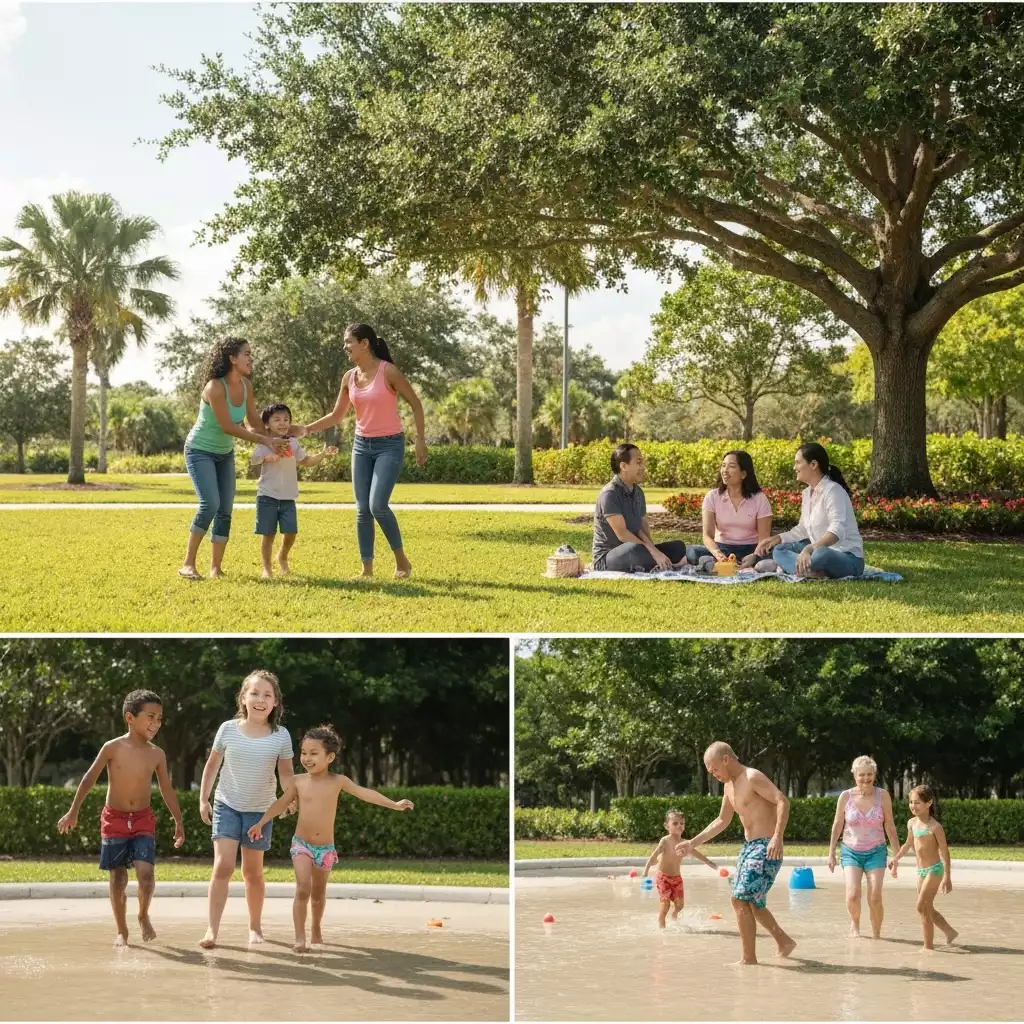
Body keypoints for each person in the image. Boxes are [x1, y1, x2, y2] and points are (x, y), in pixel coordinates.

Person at [247, 723, 414, 953]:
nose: (307, 758)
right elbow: (281, 804)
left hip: (325, 848)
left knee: (318, 894)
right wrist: (261, 822)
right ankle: (299, 937)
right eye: (304, 753)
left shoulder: (339, 781)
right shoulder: (298, 781)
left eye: (313, 753)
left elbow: (365, 793)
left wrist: (394, 804)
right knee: (303, 888)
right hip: (301, 844)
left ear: (330, 757)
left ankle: (315, 927)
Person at [291, 324, 427, 579]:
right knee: (363, 509)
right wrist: (306, 429)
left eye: (348, 342)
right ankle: (367, 570)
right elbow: (337, 415)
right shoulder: (349, 377)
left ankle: (402, 562)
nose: (345, 347)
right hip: (362, 446)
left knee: (378, 505)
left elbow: (416, 404)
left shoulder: (389, 372)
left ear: (365, 344)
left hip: (390, 445)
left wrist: (420, 439)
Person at [57, 689, 185, 946]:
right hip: (114, 819)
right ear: (130, 717)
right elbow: (89, 778)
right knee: (118, 879)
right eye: (150, 716)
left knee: (146, 875)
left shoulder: (157, 754)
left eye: (159, 718)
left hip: (142, 819)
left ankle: (143, 914)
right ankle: (122, 930)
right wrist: (73, 810)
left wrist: (179, 821)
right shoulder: (112, 747)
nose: (156, 723)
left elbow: (166, 789)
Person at [197, 669, 295, 949]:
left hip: (261, 812)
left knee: (252, 873)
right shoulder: (227, 729)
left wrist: (290, 798)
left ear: (275, 702)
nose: (260, 699)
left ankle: (255, 927)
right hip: (227, 804)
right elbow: (212, 766)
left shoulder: (281, 736)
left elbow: (286, 773)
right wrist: (203, 799)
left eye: (267, 695)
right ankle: (212, 930)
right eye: (254, 693)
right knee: (223, 866)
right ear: (243, 698)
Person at [676, 741, 795, 965]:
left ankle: (748, 960)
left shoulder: (752, 777)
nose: (713, 775)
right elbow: (722, 821)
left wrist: (777, 837)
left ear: (726, 759)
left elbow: (782, 801)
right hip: (749, 847)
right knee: (753, 903)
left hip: (766, 846)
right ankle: (784, 941)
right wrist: (692, 843)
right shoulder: (729, 787)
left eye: (714, 769)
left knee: (739, 899)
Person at [179, 337, 287, 581]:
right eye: (246, 354)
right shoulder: (215, 388)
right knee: (210, 504)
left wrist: (279, 432)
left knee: (225, 510)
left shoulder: (246, 386)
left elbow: (253, 422)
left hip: (224, 453)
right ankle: (188, 564)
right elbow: (228, 426)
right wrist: (265, 441)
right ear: (232, 358)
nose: (251, 358)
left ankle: (215, 568)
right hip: (199, 450)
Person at [753, 441, 865, 578]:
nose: (794, 467)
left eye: (798, 462)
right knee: (779, 549)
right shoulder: (806, 493)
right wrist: (777, 538)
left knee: (822, 554)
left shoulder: (833, 491)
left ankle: (790, 567)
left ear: (813, 464)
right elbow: (803, 529)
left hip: (846, 557)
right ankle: (809, 571)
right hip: (816, 551)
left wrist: (810, 548)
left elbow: (837, 529)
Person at [252, 403, 338, 579]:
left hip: (288, 496)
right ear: (267, 424)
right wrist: (267, 457)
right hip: (267, 495)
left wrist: (323, 454)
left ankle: (282, 556)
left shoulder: (293, 443)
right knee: (268, 534)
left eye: (286, 419)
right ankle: (267, 569)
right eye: (277, 420)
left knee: (291, 532)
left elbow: (306, 461)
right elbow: (254, 459)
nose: (282, 423)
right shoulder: (264, 442)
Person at [827, 755, 900, 938]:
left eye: (869, 774)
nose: (865, 779)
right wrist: (831, 852)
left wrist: (896, 856)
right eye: (861, 775)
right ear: (854, 775)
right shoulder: (845, 797)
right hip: (851, 852)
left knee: (875, 897)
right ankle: (855, 923)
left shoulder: (883, 796)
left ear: (874, 774)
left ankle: (876, 934)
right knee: (852, 895)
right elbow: (837, 824)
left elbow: (890, 826)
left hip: (876, 851)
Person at [591, 443, 687, 572]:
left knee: (678, 548)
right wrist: (652, 552)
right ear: (624, 466)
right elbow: (622, 534)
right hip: (608, 558)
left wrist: (655, 551)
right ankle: (664, 564)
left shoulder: (638, 493)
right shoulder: (609, 494)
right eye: (638, 462)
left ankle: (659, 563)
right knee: (634, 549)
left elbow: (641, 530)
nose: (643, 467)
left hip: (636, 548)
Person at [889, 784, 958, 950]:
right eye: (911, 802)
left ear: (929, 803)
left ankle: (928, 947)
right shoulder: (911, 823)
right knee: (928, 907)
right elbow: (908, 844)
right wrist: (896, 858)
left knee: (921, 906)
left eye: (917, 802)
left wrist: (947, 877)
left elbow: (945, 852)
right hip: (921, 872)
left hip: (935, 870)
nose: (913, 806)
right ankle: (949, 932)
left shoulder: (935, 827)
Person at [685, 450, 772, 568]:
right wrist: (717, 553)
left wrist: (755, 555)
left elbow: (764, 538)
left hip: (751, 549)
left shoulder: (759, 498)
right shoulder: (712, 496)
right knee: (692, 551)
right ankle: (716, 562)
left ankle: (714, 565)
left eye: (731, 466)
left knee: (774, 552)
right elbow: (707, 535)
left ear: (743, 474)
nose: (725, 470)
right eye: (723, 465)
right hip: (722, 548)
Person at [643, 809, 719, 928]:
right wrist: (646, 871)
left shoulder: (685, 843)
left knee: (680, 906)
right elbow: (653, 856)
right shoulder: (665, 841)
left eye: (682, 823)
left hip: (677, 878)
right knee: (665, 905)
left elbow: (699, 855)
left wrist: (712, 865)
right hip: (663, 877)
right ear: (666, 826)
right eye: (675, 823)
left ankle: (674, 914)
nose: (679, 825)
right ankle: (662, 928)